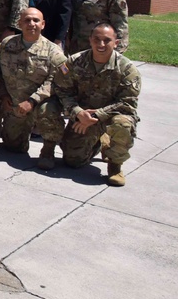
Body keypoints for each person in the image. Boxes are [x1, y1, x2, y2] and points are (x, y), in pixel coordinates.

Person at [0, 8, 67, 168]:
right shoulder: (6, 45)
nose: (31, 24)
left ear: (43, 24)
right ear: (19, 24)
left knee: (49, 110)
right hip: (15, 105)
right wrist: (3, 95)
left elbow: (56, 81)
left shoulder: (55, 52)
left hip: (40, 104)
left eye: (36, 20)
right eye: (27, 20)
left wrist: (32, 101)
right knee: (13, 148)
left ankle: (48, 150)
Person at [54, 23, 141, 186]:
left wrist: (97, 115)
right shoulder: (75, 62)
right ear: (90, 40)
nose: (101, 44)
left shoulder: (127, 69)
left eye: (106, 40)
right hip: (82, 117)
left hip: (112, 117)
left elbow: (127, 103)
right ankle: (100, 142)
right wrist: (78, 112)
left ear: (116, 42)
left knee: (123, 125)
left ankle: (115, 165)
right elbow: (61, 89)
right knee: (73, 161)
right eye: (97, 39)